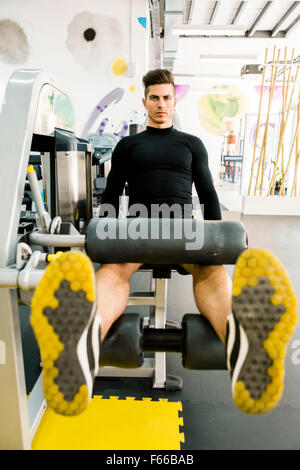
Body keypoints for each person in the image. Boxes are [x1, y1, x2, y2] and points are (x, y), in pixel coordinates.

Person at [30, 69, 297, 418]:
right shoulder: (128, 146)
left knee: (210, 271)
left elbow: (208, 195)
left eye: (166, 97)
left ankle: (241, 338)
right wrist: (107, 236)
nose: (160, 104)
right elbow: (111, 196)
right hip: (139, 229)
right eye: (154, 98)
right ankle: (84, 338)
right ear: (145, 101)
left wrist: (217, 238)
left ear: (174, 100)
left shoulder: (191, 144)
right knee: (113, 271)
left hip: (183, 231)